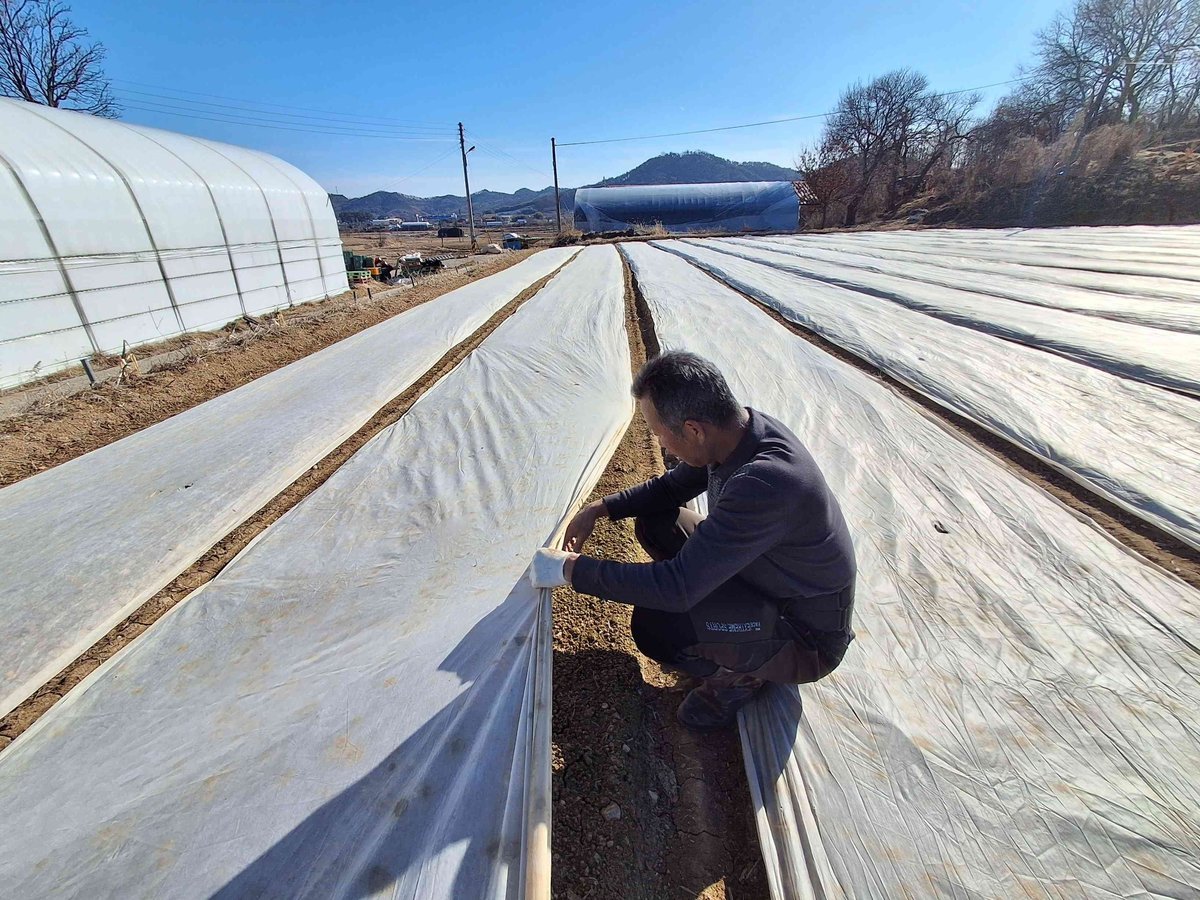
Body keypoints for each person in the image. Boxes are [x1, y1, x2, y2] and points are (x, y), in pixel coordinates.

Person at [530, 351, 856, 731]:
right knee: (656, 521)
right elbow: (670, 489)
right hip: (765, 578)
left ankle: (739, 676)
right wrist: (599, 509)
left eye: (659, 434)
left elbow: (676, 588)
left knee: (657, 623)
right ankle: (721, 628)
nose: (661, 445)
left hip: (803, 636)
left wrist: (570, 569)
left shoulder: (765, 482)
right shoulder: (737, 434)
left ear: (694, 430)